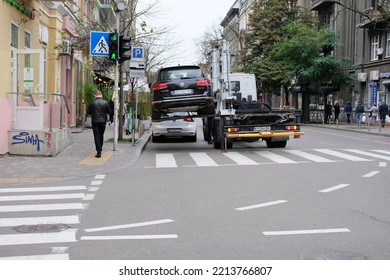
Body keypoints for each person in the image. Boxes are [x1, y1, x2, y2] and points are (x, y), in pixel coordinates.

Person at [87, 90, 111, 158]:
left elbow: (88, 111)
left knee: (96, 136)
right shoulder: (105, 102)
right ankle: (100, 148)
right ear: (101, 95)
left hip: (95, 121)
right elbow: (109, 111)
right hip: (103, 121)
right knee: (101, 135)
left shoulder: (92, 102)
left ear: (95, 95)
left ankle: (99, 151)